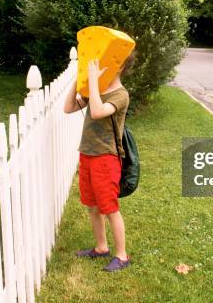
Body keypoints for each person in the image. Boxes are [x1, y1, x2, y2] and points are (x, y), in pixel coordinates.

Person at [64, 52, 135, 272]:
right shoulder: (96, 90)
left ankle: (122, 255)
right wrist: (79, 79)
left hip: (106, 158)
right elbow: (68, 108)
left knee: (110, 208)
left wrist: (93, 83)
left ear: (119, 66)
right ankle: (101, 247)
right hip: (87, 154)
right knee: (93, 206)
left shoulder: (120, 95)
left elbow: (96, 112)